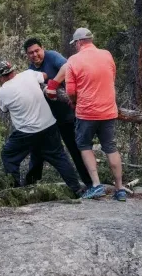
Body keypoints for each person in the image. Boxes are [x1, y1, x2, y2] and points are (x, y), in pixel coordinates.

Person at [47, 27, 127, 201]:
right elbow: (111, 77)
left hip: (86, 113)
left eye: (75, 43)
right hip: (108, 111)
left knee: (84, 146)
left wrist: (73, 101)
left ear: (79, 42)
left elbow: (70, 90)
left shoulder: (74, 60)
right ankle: (120, 189)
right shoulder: (107, 55)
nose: (75, 46)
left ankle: (96, 185)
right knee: (110, 148)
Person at [0, 60, 83, 197]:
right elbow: (45, 76)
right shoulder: (28, 74)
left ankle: (15, 192)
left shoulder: (2, 92)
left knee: (8, 155)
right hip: (49, 125)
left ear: (0, 78)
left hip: (26, 133)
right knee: (59, 157)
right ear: (13, 71)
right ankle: (77, 189)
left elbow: (4, 109)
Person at [21, 38, 92, 187]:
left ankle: (90, 184)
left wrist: (53, 84)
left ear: (43, 49)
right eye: (31, 53)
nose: (35, 55)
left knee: (75, 150)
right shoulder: (31, 71)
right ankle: (30, 183)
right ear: (27, 55)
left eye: (37, 51)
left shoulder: (52, 56)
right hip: (48, 120)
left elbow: (68, 66)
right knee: (37, 149)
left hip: (67, 116)